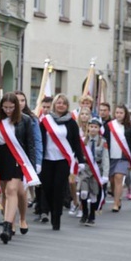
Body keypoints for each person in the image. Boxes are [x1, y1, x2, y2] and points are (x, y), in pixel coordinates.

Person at [0, 93, 36, 244]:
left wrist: (31, 166)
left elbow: (30, 143)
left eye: (11, 107)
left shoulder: (25, 120)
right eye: (5, 107)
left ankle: (11, 224)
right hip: (2, 158)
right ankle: (10, 221)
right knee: (5, 192)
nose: (8, 110)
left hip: (18, 158)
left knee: (13, 190)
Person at [39, 93, 84, 230]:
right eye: (58, 102)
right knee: (47, 188)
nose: (61, 105)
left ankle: (56, 217)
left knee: (58, 188)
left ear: (67, 106)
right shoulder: (45, 121)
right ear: (54, 104)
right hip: (47, 160)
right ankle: (51, 210)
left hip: (63, 160)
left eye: (64, 103)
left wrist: (80, 160)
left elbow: (76, 142)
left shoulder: (71, 122)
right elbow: (39, 140)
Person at [14, 90, 42, 234]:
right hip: (9, 159)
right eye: (17, 100)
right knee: (8, 191)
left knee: (21, 191)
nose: (20, 103)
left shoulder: (31, 119)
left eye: (23, 100)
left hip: (25, 159)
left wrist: (37, 161)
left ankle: (22, 218)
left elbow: (37, 141)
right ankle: (10, 220)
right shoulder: (5, 117)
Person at [103, 104, 131, 212]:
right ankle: (118, 197)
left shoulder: (130, 128)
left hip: (123, 157)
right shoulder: (109, 125)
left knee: (118, 177)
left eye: (121, 113)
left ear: (125, 114)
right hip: (110, 157)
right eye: (117, 113)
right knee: (112, 180)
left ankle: (115, 203)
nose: (119, 115)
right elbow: (104, 140)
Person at [77, 118, 109, 226]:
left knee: (94, 194)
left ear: (99, 128)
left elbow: (105, 159)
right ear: (88, 127)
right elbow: (77, 155)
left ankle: (92, 215)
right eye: (91, 127)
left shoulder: (103, 142)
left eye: (96, 127)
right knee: (84, 193)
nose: (93, 129)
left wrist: (105, 174)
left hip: (97, 170)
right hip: (85, 169)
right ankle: (84, 213)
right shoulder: (83, 140)